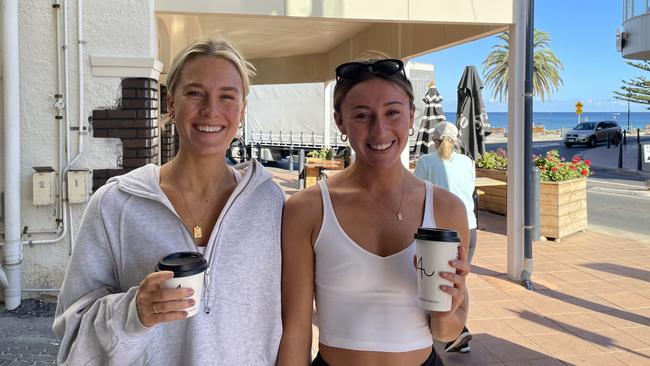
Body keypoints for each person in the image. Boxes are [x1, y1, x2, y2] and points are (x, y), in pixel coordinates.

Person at [53, 39, 285, 365]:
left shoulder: (269, 203)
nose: (210, 109)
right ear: (171, 101)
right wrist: (134, 311)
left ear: (243, 109)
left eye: (227, 96)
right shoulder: (115, 205)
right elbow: (71, 332)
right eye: (194, 93)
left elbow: (288, 320)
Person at [278, 54, 470, 366]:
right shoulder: (308, 209)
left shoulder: (447, 209)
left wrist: (448, 310)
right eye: (362, 116)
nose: (380, 130)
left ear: (411, 116)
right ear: (341, 122)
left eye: (392, 112)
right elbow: (297, 331)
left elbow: (447, 332)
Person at [414, 121, 476, 353]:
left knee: (438, 279)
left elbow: (415, 192)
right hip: (469, 226)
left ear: (434, 141)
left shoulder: (426, 161)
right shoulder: (467, 162)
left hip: (438, 233)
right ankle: (455, 329)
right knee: (458, 277)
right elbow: (469, 190)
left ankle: (455, 332)